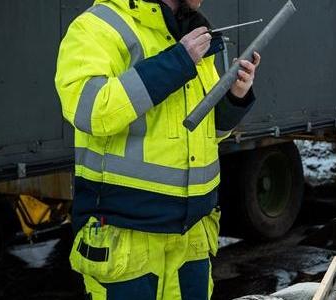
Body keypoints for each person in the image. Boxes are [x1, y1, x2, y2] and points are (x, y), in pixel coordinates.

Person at [54, 0, 260, 298]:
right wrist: (176, 63)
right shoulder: (96, 26)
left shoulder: (190, 31)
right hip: (126, 236)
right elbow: (92, 111)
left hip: (191, 236)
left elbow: (207, 131)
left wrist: (235, 97)